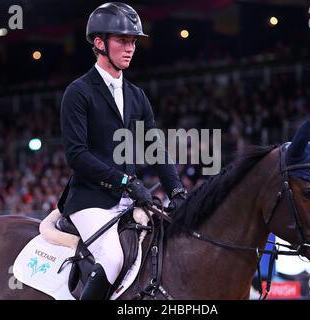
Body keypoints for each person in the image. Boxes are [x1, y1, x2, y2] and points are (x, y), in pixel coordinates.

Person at [59, 2, 187, 300]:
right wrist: (127, 183)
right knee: (114, 258)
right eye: (122, 41)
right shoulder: (78, 92)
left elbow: (155, 147)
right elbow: (77, 156)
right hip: (89, 200)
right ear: (100, 43)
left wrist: (177, 191)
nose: (129, 48)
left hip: (127, 200)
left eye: (132, 42)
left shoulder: (136, 95)